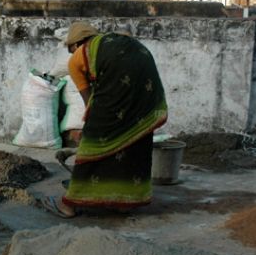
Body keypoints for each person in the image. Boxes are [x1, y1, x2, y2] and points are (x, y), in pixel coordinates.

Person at [40, 22, 168, 218]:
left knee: (95, 143)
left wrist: (88, 133)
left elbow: (89, 102)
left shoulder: (77, 58)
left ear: (76, 45)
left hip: (123, 86)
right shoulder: (112, 41)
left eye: (70, 49)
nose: (71, 53)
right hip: (148, 91)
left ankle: (69, 205)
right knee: (135, 137)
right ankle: (125, 202)